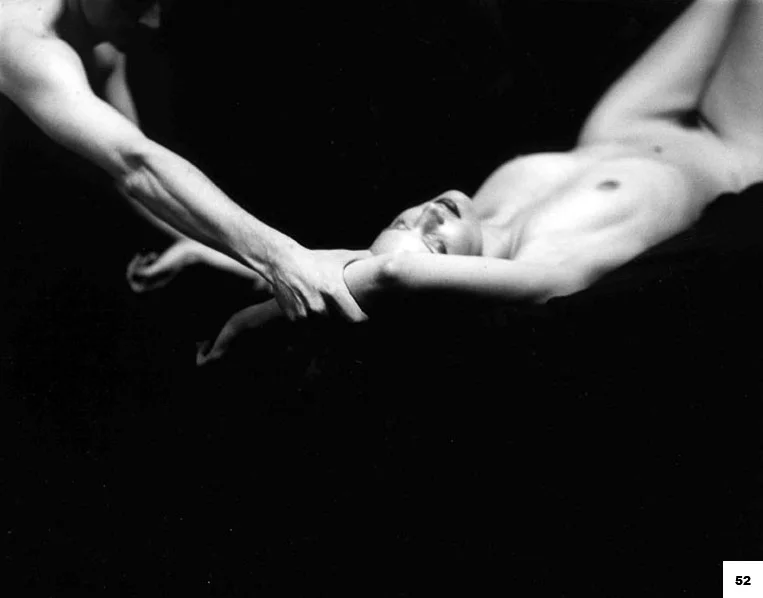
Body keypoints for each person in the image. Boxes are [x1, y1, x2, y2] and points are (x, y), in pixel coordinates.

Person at [127, 0, 763, 364]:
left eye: (401, 222)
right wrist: (257, 320)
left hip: (618, 125)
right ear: (453, 279)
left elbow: (346, 270)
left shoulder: (483, 218)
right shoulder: (547, 267)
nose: (424, 218)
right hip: (733, 144)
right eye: (435, 244)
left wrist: (215, 255)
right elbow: (393, 273)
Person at [0, 0, 367, 323]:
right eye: (135, 2)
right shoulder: (26, 42)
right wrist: (282, 259)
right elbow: (136, 166)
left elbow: (134, 176)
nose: (153, 21)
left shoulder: (100, 40)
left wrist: (228, 258)